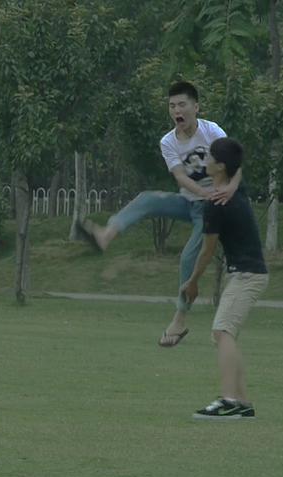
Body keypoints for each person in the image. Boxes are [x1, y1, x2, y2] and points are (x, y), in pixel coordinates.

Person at [79, 81, 242, 347]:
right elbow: (180, 177)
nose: (177, 110)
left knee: (188, 257)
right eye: (172, 106)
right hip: (191, 201)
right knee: (147, 199)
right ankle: (105, 235)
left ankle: (180, 320)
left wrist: (229, 189)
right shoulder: (168, 141)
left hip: (213, 209)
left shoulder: (212, 131)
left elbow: (235, 163)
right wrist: (203, 193)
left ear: (196, 107)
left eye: (182, 104)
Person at [179, 138, 268, 420]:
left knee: (222, 332)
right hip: (248, 273)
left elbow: (207, 251)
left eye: (209, 157)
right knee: (223, 334)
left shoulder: (216, 203)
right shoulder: (234, 189)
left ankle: (229, 400)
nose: (204, 161)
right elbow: (238, 169)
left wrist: (192, 281)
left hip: (247, 275)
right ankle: (241, 402)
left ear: (219, 166)